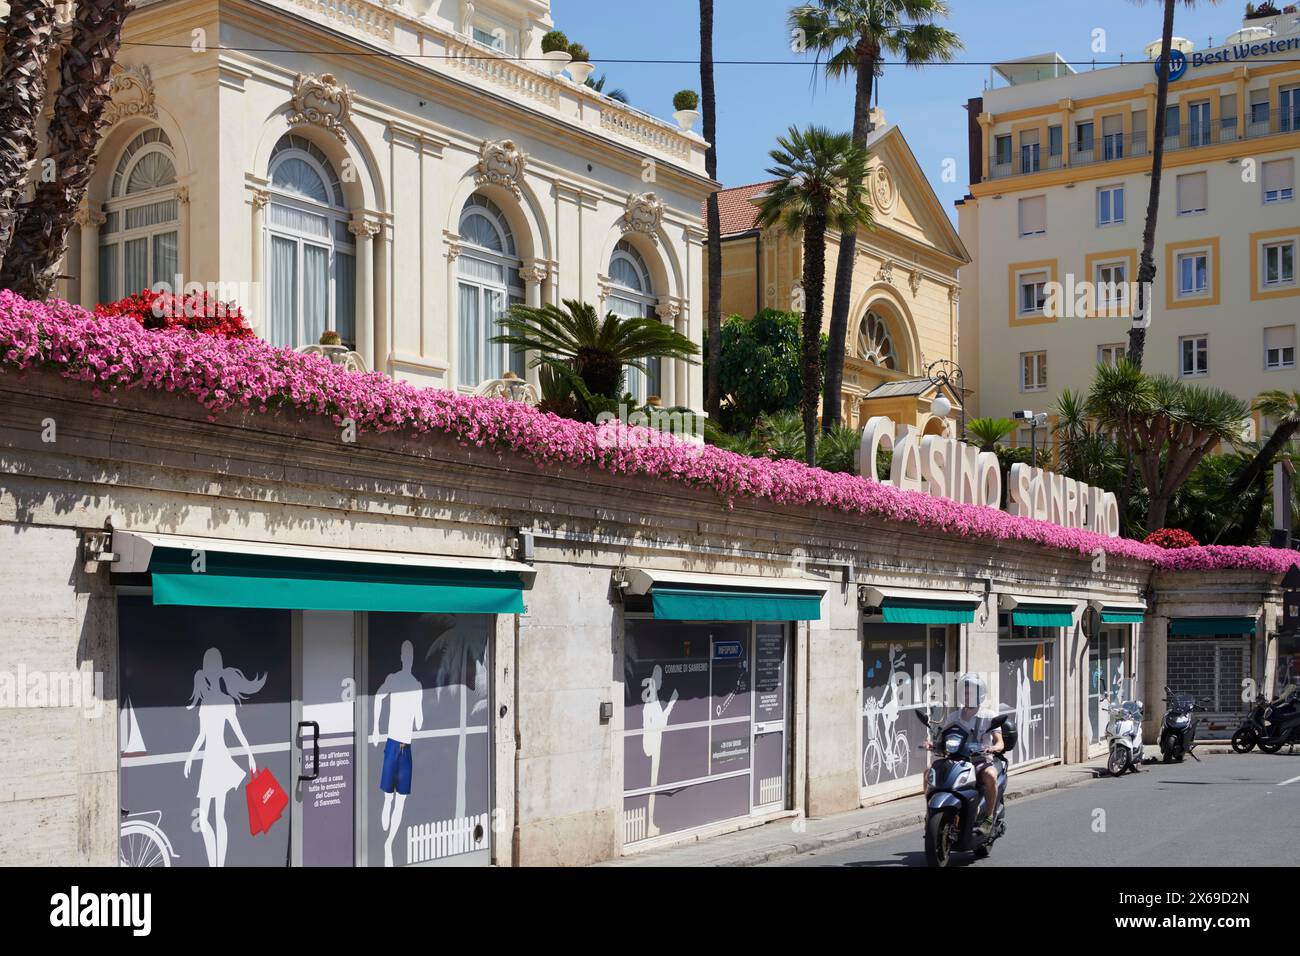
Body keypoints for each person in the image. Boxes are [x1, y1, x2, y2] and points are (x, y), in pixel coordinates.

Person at [926, 673, 1004, 839]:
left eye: (972, 692)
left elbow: (1000, 742)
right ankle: (930, 814)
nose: (968, 696)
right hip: (956, 760)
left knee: (990, 776)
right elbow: (943, 737)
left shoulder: (989, 716)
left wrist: (993, 748)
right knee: (928, 773)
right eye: (965, 692)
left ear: (980, 694)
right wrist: (932, 744)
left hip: (980, 760)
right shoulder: (954, 717)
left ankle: (988, 818)